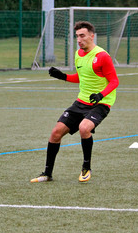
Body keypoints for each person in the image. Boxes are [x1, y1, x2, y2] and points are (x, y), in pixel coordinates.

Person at [31, 21, 119, 183]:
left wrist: (101, 95)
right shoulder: (78, 53)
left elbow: (114, 81)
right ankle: (47, 173)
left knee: (84, 128)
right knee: (55, 133)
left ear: (92, 36)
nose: (79, 39)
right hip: (81, 102)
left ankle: (86, 168)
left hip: (101, 103)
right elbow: (81, 77)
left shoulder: (102, 57)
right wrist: (62, 76)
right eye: (77, 36)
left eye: (82, 36)